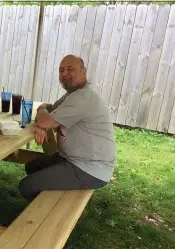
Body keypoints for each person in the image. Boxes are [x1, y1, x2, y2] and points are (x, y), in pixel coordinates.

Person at [19, 55, 116, 201]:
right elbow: (46, 107)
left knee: (26, 186)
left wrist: (42, 122)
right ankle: (53, 200)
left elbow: (45, 120)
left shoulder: (83, 97)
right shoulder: (73, 95)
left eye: (70, 69)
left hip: (90, 168)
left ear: (84, 72)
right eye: (61, 70)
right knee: (32, 166)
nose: (64, 74)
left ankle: (51, 217)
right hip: (74, 158)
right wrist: (42, 117)